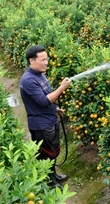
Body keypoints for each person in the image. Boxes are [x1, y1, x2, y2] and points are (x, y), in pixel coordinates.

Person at [19, 45, 72, 189]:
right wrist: (62, 88)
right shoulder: (28, 80)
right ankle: (49, 181)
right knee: (46, 154)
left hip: (50, 120)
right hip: (41, 125)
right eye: (43, 60)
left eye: (46, 59)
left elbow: (46, 95)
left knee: (53, 152)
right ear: (31, 60)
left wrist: (55, 109)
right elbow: (43, 101)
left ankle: (53, 175)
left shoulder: (40, 74)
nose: (46, 63)